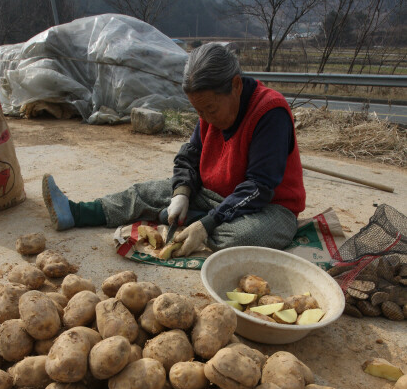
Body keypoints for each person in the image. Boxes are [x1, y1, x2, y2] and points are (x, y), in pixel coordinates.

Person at [42, 43, 305, 257]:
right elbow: (189, 156)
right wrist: (181, 192)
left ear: (235, 86)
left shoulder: (270, 112)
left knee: (240, 238)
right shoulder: (209, 107)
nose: (205, 118)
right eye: (198, 111)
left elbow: (259, 187)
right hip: (214, 195)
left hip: (269, 208)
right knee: (145, 192)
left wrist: (208, 223)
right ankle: (76, 212)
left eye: (210, 110)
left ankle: (193, 221)